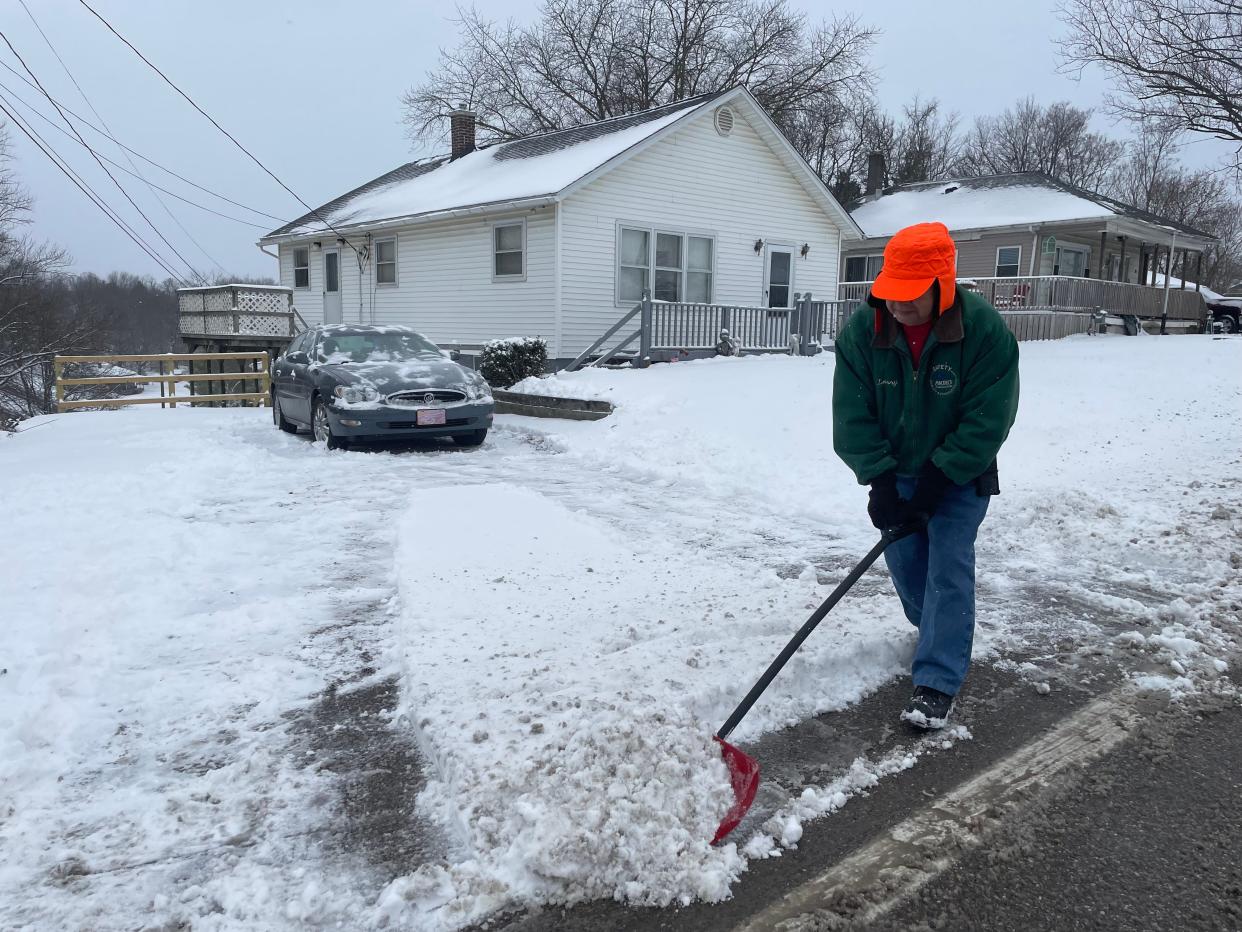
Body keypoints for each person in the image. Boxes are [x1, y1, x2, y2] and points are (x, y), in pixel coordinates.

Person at [832, 221, 1020, 729]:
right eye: (890, 296)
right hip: (897, 470)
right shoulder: (865, 331)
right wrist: (880, 481)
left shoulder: (982, 329)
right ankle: (937, 629)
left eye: (910, 298)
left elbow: (991, 415)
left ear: (943, 285)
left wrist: (943, 475)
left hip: (959, 475)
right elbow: (852, 412)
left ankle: (936, 681)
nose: (898, 307)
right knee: (908, 565)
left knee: (948, 564)